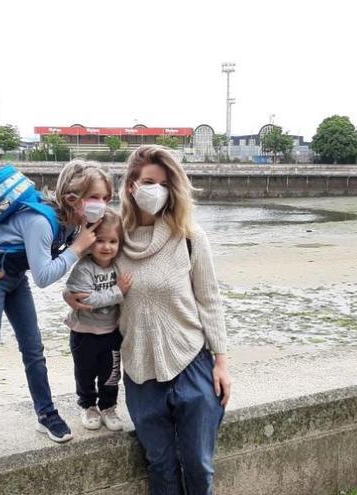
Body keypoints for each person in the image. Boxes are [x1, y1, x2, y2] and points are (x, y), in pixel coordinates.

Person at [66, 145, 232, 494]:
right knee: (160, 466)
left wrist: (221, 362)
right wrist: (71, 296)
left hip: (191, 365)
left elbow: (210, 299)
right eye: (149, 181)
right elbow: (81, 273)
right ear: (131, 185)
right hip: (140, 373)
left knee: (199, 467)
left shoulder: (189, 238)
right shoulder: (114, 240)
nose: (157, 190)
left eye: (165, 184)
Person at [0, 160, 113, 462]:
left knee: (34, 349)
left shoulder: (75, 223)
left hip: (14, 277)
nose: (100, 205)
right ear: (73, 199)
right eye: (95, 197)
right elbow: (44, 277)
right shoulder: (42, 221)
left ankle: (45, 414)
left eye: (105, 198)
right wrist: (77, 249)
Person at [64, 210, 131, 431]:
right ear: (89, 242)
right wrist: (117, 292)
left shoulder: (119, 266)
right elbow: (88, 300)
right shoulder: (83, 268)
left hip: (111, 332)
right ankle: (88, 405)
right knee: (84, 372)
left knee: (111, 373)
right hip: (84, 332)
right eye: (100, 241)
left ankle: (109, 406)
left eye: (113, 241)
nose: (106, 247)